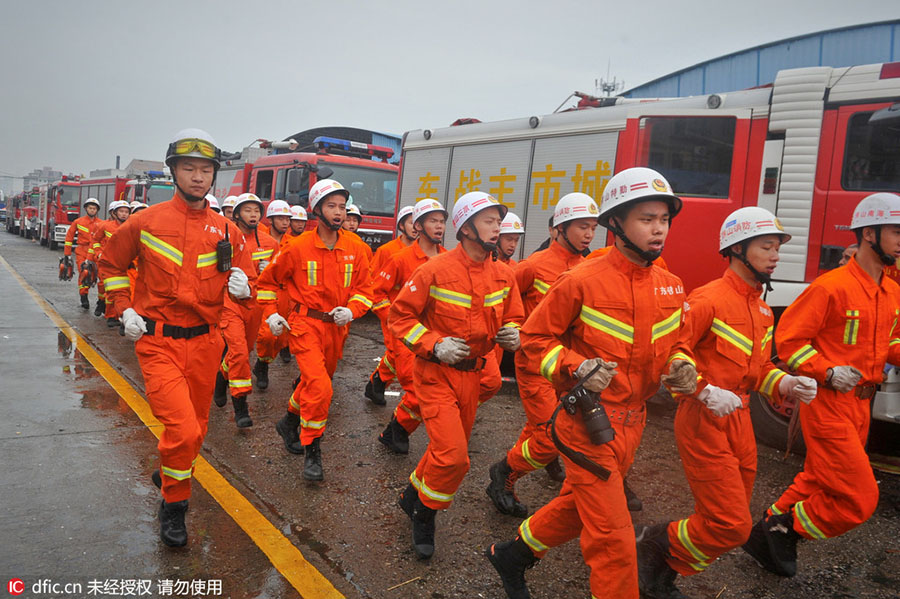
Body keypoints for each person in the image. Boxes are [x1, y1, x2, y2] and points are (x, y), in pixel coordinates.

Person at [486, 167, 698, 599]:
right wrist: (575, 366)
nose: (658, 229)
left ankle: (513, 555)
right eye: (646, 219)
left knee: (579, 507)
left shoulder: (671, 286)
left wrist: (681, 363)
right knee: (614, 542)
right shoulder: (581, 281)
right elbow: (532, 343)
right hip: (587, 424)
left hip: (632, 425)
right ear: (616, 223)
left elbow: (680, 342)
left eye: (664, 220)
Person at [636, 207, 816, 598]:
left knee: (725, 519)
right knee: (732, 525)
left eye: (776, 247)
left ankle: (665, 568)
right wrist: (701, 389)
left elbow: (759, 369)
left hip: (740, 419)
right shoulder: (707, 300)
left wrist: (786, 383)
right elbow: (671, 355)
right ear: (737, 249)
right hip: (703, 418)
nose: (775, 255)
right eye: (767, 246)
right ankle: (657, 541)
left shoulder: (763, 309)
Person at [98, 128, 255, 547]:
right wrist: (124, 307)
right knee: (183, 431)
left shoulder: (227, 231)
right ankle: (175, 505)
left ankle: (169, 472)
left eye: (206, 170)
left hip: (207, 344)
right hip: (158, 343)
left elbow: (247, 277)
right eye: (189, 168)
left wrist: (244, 287)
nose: (198, 177)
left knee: (196, 432)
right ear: (173, 172)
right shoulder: (145, 222)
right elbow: (111, 266)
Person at [742, 192, 900, 578]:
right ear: (869, 233)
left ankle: (764, 530)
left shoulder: (891, 291)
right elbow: (789, 343)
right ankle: (783, 529)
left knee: (817, 477)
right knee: (860, 499)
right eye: (897, 231)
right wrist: (826, 371)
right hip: (829, 404)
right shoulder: (831, 287)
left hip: (861, 405)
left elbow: (891, 342)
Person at [390, 191, 524, 559]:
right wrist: (434, 345)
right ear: (465, 228)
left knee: (446, 449)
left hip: (473, 377)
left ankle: (412, 494)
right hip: (435, 374)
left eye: (499, 221)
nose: (497, 228)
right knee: (453, 457)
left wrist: (514, 333)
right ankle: (424, 514)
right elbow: (400, 318)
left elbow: (514, 317)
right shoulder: (433, 270)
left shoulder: (503, 275)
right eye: (489, 221)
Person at [485, 193, 596, 519]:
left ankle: (515, 470)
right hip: (535, 364)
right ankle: (503, 472)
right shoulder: (533, 266)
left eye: (592, 227)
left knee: (543, 430)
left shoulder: (588, 268)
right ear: (558, 230)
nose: (589, 234)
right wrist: (512, 329)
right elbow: (503, 298)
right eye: (581, 227)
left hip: (569, 366)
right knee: (551, 438)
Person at [262, 179, 373, 481]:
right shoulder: (296, 248)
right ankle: (313, 450)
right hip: (304, 325)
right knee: (321, 387)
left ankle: (288, 421)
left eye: (342, 206)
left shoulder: (357, 248)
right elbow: (268, 283)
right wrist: (271, 315)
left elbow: (366, 289)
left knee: (315, 383)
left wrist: (353, 309)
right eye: (331, 206)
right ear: (317, 209)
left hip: (337, 328)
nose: (339, 213)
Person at [375, 199, 449, 449]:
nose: (439, 227)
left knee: (433, 392)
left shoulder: (449, 259)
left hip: (436, 339)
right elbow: (376, 294)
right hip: (406, 336)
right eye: (433, 221)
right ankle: (397, 430)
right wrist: (394, 320)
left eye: (442, 222)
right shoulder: (400, 259)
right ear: (418, 226)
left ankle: (397, 427)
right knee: (416, 390)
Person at [213, 193, 276, 428]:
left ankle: (221, 377)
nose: (253, 215)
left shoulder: (269, 242)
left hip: (255, 302)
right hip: (229, 303)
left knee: (245, 351)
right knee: (238, 352)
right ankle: (240, 406)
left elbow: (278, 271)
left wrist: (270, 269)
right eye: (248, 210)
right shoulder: (223, 237)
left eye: (257, 211)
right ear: (237, 213)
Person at [364, 205, 417, 405]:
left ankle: (377, 382)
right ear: (402, 225)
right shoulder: (388, 251)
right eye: (411, 222)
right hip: (392, 313)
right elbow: (374, 284)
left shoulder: (428, 251)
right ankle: (377, 383)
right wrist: (386, 313)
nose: (415, 227)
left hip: (416, 318)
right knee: (398, 352)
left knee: (397, 354)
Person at [252, 199, 294, 390]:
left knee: (281, 336)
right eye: (280, 218)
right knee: (267, 335)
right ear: (270, 219)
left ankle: (263, 362)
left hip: (286, 294)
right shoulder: (259, 239)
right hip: (263, 292)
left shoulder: (293, 244)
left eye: (287, 219)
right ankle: (262, 365)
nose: (285, 222)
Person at [87, 199, 131, 327]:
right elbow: (95, 240)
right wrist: (98, 253)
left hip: (127, 263)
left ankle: (122, 317)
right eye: (121, 211)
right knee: (112, 291)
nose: (124, 214)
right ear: (115, 213)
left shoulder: (132, 226)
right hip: (110, 264)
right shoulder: (105, 226)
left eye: (126, 212)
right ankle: (111, 316)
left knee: (127, 292)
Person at [64, 197, 103, 310]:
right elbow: (69, 237)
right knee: (84, 273)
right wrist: (67, 254)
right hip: (82, 250)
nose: (92, 210)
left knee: (101, 275)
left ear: (97, 210)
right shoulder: (78, 222)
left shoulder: (101, 223)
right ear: (86, 209)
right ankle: (84, 296)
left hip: (96, 251)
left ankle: (101, 300)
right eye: (90, 208)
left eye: (94, 208)